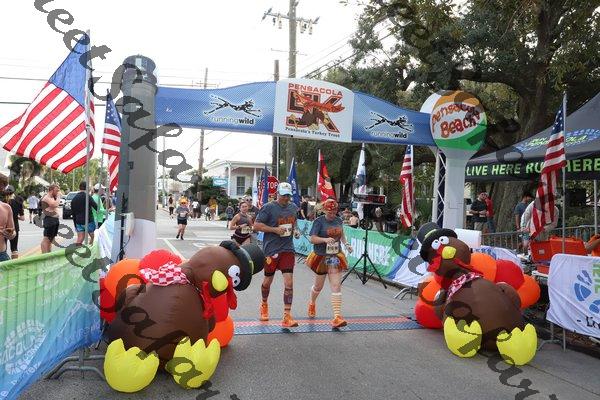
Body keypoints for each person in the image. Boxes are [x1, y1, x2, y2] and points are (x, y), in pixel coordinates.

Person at [253, 182, 300, 327]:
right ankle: (264, 304)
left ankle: (287, 316)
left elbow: (294, 223)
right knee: (268, 281)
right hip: (271, 249)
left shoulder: (293, 207)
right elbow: (256, 225)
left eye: (288, 195)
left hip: (287, 248)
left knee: (289, 282)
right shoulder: (268, 207)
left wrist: (296, 231)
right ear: (277, 194)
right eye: (284, 195)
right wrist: (275, 230)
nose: (286, 198)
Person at [306, 199, 353, 327]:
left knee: (336, 285)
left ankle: (337, 317)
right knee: (318, 287)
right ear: (325, 210)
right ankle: (312, 302)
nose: (332, 214)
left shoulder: (339, 220)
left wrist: (347, 244)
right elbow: (312, 239)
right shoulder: (318, 221)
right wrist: (324, 240)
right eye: (330, 212)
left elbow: (341, 235)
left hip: (334, 256)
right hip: (321, 256)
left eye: (334, 212)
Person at [3, 186, 24, 259]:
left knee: (3, 249)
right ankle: (14, 264)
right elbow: (22, 218)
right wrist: (15, 216)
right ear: (13, 192)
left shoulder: (2, 202)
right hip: (14, 227)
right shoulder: (18, 202)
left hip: (4, 227)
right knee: (14, 249)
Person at [40, 184, 61, 253]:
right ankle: (44, 255)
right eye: (56, 191)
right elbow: (55, 204)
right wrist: (59, 196)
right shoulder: (47, 197)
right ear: (51, 190)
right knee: (46, 239)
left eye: (58, 191)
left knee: (51, 239)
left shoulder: (52, 197)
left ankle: (49, 254)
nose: (58, 192)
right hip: (49, 220)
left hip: (54, 220)